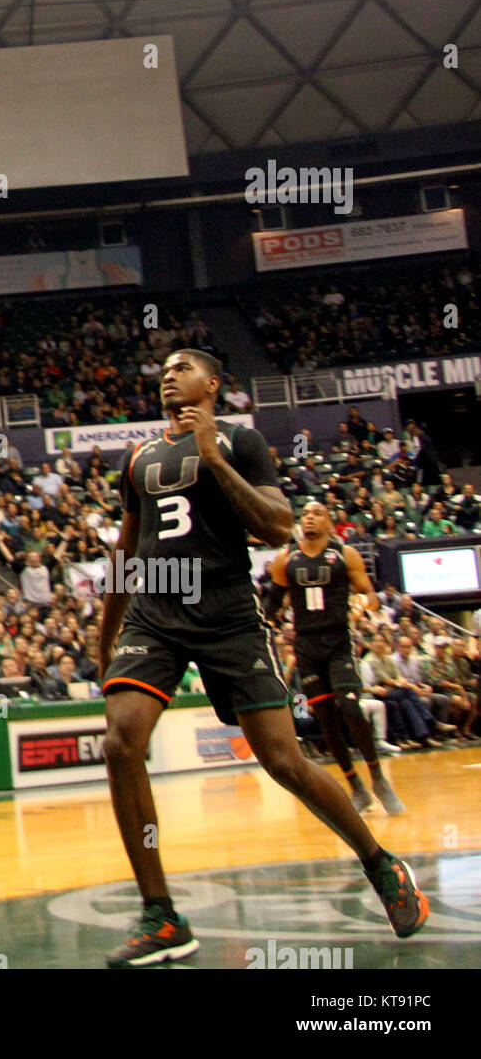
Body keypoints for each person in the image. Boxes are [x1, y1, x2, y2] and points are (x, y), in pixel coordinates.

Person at [99, 349, 428, 968]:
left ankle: (381, 865)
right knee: (121, 740)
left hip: (227, 614)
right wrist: (104, 635)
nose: (169, 374)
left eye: (183, 367)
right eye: (164, 368)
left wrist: (215, 458)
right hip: (157, 615)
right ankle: (161, 916)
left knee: (283, 759)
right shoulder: (138, 457)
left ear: (214, 384)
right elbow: (127, 548)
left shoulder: (242, 442)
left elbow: (278, 528)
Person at [267, 502, 403, 815]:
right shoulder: (286, 558)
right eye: (305, 515)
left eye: (316, 513)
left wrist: (363, 602)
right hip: (306, 646)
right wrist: (268, 624)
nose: (310, 518)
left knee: (351, 706)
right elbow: (273, 603)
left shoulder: (346, 554)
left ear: (329, 521)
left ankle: (378, 778)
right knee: (326, 719)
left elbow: (370, 594)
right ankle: (356, 787)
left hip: (338, 642)